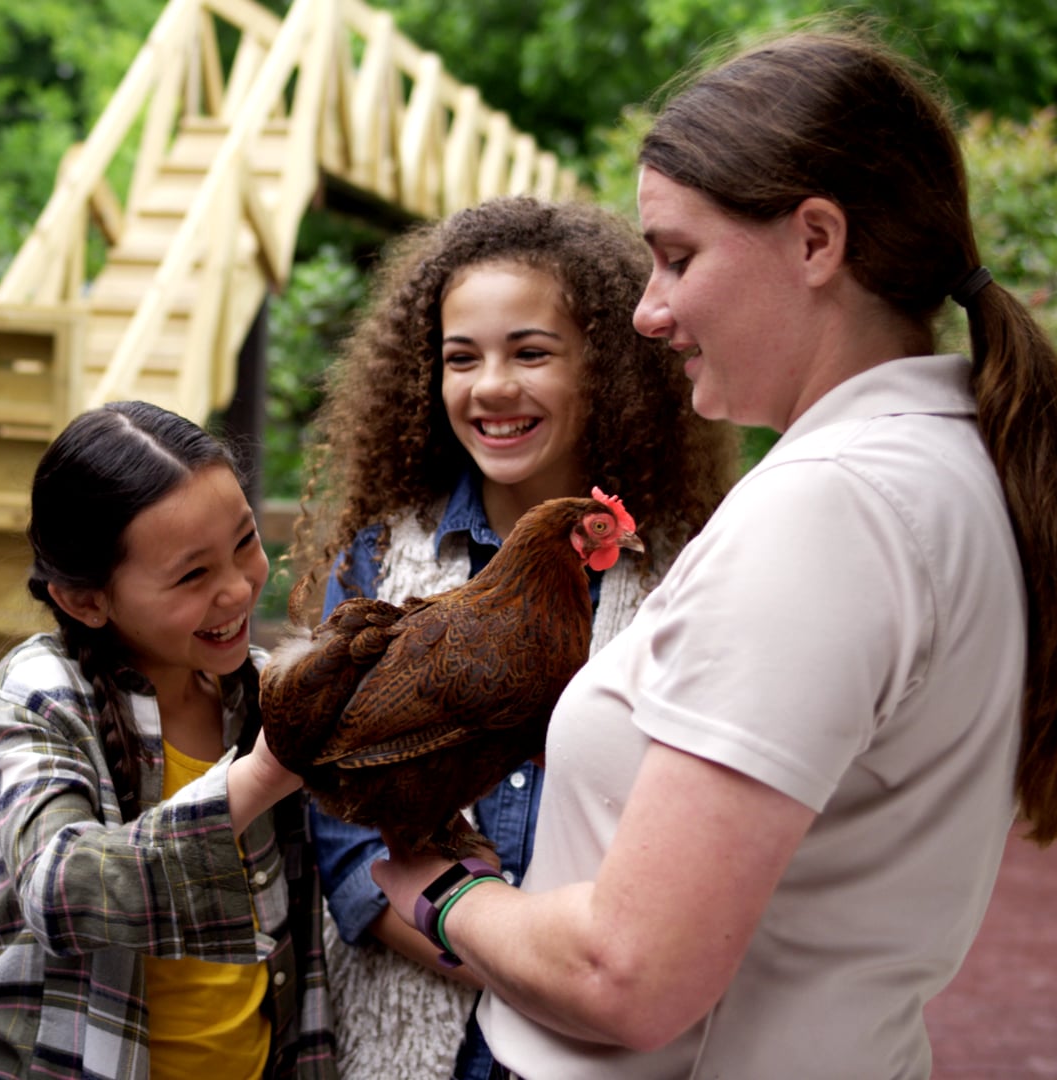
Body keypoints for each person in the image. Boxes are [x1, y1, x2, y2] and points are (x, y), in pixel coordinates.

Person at [367, 23, 1057, 1078]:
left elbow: (628, 977)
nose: (649, 309)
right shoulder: (953, 468)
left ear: (817, 241)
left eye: (678, 256)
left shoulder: (835, 513)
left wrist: (448, 896)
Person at [286, 196, 733, 1080]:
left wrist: (576, 981)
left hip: (599, 1043)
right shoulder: (382, 561)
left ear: (606, 368)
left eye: (531, 351)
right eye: (462, 358)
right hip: (410, 1035)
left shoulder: (690, 578)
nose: (492, 385)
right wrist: (513, 964)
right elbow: (339, 824)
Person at [0, 400, 337, 1080]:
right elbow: (55, 885)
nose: (236, 588)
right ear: (86, 600)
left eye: (245, 542)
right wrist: (255, 780)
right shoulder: (37, 694)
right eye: (192, 575)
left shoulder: (252, 690)